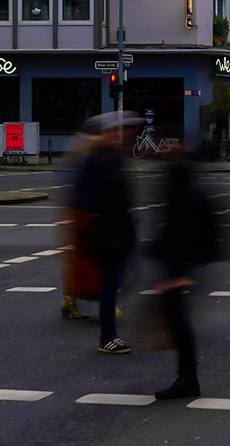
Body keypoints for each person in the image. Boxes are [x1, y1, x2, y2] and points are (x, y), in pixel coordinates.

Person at [147, 141, 221, 399]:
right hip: (181, 268)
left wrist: (181, 274)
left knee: (179, 324)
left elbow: (177, 234)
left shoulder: (181, 191)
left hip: (179, 270)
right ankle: (187, 377)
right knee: (179, 323)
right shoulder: (189, 189)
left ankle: (188, 379)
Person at [71, 111, 138, 352]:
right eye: (112, 131)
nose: (118, 135)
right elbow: (83, 201)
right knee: (110, 283)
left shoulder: (113, 159)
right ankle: (107, 337)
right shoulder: (94, 162)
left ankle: (108, 332)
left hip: (120, 234)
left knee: (120, 280)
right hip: (107, 236)